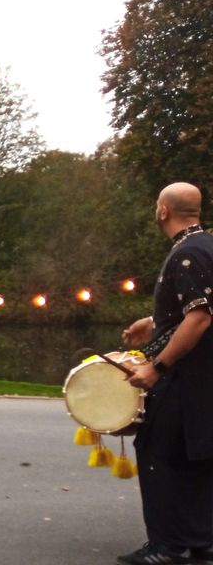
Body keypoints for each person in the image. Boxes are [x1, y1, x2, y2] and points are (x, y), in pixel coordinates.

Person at [119, 182, 213, 565]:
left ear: (163, 211)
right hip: (204, 377)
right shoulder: (206, 245)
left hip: (185, 377)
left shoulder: (187, 253)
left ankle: (167, 546)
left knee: (156, 451)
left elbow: (200, 316)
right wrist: (152, 322)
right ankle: (201, 541)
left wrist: (156, 367)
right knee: (196, 455)